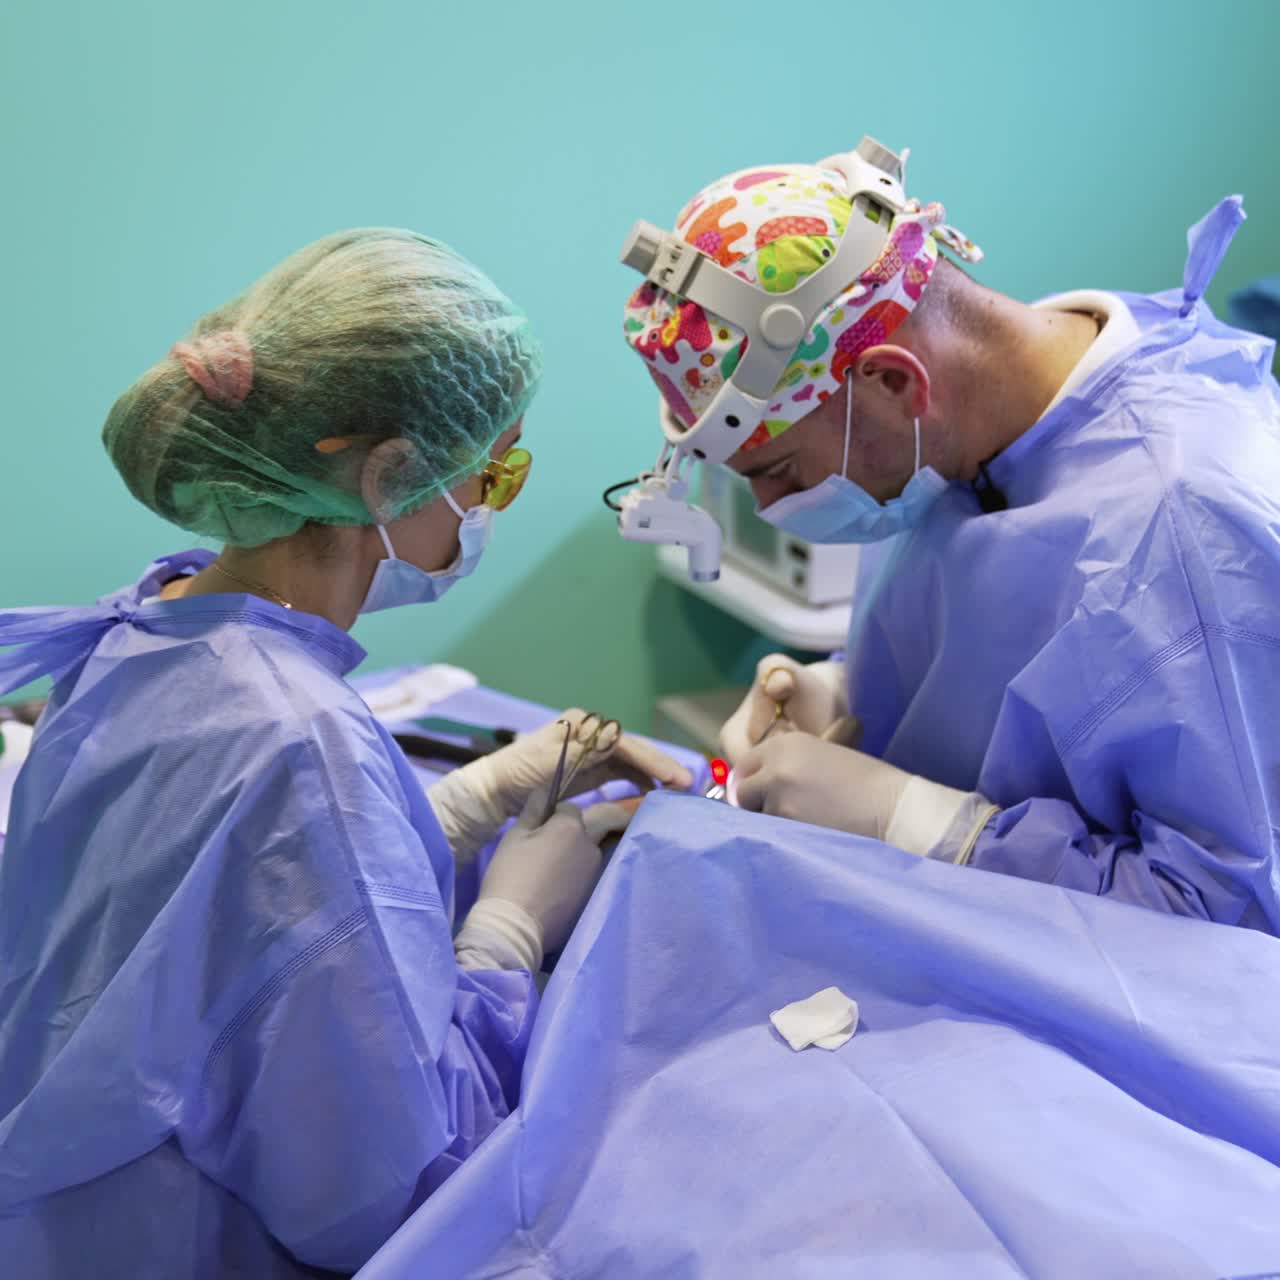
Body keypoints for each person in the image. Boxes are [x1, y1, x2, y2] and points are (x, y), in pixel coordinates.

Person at [0, 228, 692, 1278]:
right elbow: (389, 1189)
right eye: (494, 474)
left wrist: (453, 811)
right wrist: (506, 933)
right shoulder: (302, 744)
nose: (488, 507)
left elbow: (209, 917)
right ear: (395, 474)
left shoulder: (142, 632)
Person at [621, 144, 1280, 933]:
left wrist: (930, 825)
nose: (770, 507)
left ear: (895, 382)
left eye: (784, 471)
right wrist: (847, 689)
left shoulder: (1185, 528)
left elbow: (1233, 921)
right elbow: (1018, 659)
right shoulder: (966, 431)